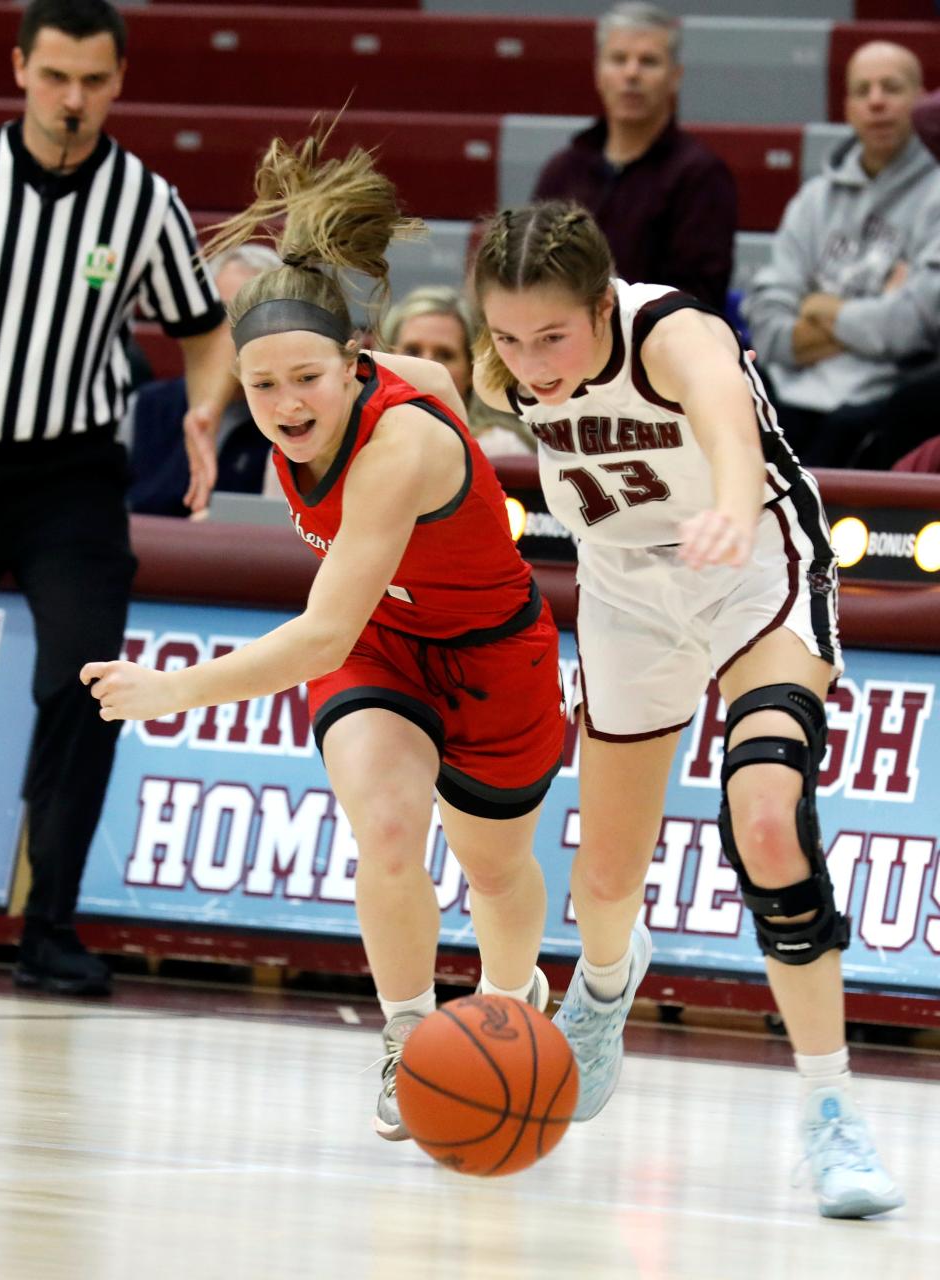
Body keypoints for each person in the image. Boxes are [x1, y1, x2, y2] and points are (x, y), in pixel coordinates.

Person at [79, 131, 566, 1140]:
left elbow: (312, 632)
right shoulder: (305, 381)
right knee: (386, 826)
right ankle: (409, 1037)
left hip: (489, 652)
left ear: (352, 368)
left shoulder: (398, 444)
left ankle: (514, 1001)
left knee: (495, 871)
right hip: (380, 645)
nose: (288, 404)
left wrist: (170, 689)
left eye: (308, 378)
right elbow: (341, 633)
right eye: (264, 387)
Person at [468, 198, 904, 1220]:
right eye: (509, 337)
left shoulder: (672, 331)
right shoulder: (504, 366)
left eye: (553, 336)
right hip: (625, 592)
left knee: (767, 819)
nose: (531, 362)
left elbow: (723, 418)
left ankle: (835, 1112)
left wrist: (731, 497)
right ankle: (609, 986)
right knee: (606, 877)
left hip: (754, 574)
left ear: (600, 302)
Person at [0, 0, 236, 996]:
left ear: (119, 80)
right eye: (53, 77)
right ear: (18, 68)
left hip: (71, 475)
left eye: (91, 80)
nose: (72, 99)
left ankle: (49, 925)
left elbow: (203, 329)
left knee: (87, 684)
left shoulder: (145, 201)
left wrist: (205, 412)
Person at [746, 41, 940, 470]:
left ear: (919, 100)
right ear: (847, 107)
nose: (876, 101)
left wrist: (819, 307)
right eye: (862, 90)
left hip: (885, 394)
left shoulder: (936, 194)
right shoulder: (814, 199)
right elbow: (766, 320)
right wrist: (871, 315)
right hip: (793, 389)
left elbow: (913, 328)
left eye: (891, 87)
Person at [531, 2, 736, 313]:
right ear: (598, 72)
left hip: (655, 349)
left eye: (648, 61)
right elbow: (530, 271)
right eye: (618, 59)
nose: (631, 73)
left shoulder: (700, 175)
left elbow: (696, 298)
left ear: (675, 77)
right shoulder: (562, 171)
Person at [122, 244, 282, 516]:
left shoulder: (293, 422)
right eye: (223, 312)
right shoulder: (146, 407)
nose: (235, 331)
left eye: (251, 315)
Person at [380, 285, 534, 458]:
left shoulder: (500, 448)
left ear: (472, 372)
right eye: (412, 351)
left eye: (445, 355)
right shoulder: (360, 436)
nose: (425, 365)